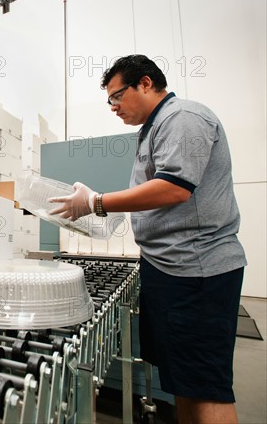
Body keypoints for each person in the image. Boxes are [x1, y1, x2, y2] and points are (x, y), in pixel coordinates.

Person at [49, 55, 246, 423]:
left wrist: (96, 203)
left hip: (197, 271)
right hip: (170, 268)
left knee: (207, 384)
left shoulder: (183, 118)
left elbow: (175, 188)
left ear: (144, 83)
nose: (113, 107)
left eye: (116, 96)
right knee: (185, 382)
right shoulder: (153, 130)